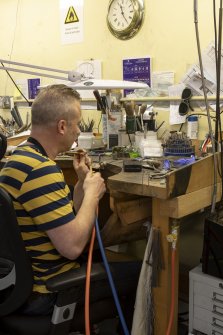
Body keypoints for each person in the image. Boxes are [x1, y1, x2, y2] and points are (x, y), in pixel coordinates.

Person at [0, 84, 141, 332]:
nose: (78, 131)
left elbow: (65, 221)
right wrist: (92, 196)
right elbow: (73, 246)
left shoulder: (19, 159)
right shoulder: (42, 170)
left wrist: (81, 185)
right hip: (47, 291)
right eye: (76, 124)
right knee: (141, 272)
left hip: (15, 287)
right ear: (62, 126)